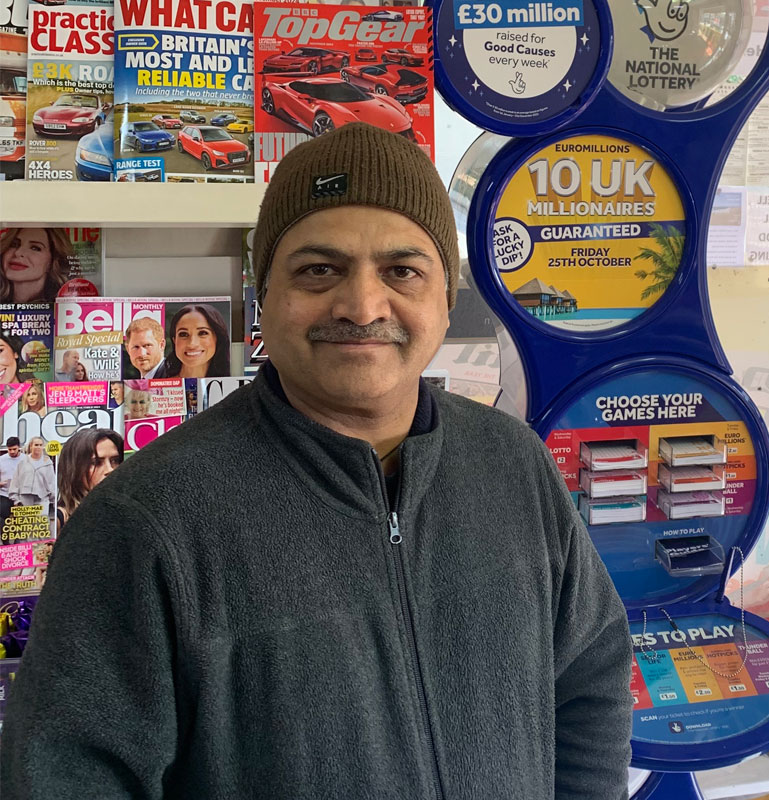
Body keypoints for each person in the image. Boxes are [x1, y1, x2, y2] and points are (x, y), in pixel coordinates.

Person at [1, 123, 633, 799]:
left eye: (402, 270)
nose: (362, 306)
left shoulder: (513, 463)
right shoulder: (144, 521)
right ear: (263, 296)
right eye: (318, 269)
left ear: (445, 297)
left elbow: (591, 681)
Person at [55, 429, 123, 529]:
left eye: (115, 461)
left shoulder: (125, 514)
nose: (110, 469)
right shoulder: (58, 520)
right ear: (74, 469)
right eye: (96, 462)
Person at [160, 304, 231, 378]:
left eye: (203, 333)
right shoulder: (156, 386)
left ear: (217, 338)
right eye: (183, 334)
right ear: (174, 340)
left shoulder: (231, 385)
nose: (192, 344)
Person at [0, 228, 69, 303]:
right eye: (14, 244)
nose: (18, 252)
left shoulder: (61, 306)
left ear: (52, 262)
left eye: (35, 248)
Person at [9, 436, 54, 517]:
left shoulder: (47, 463)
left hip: (42, 498)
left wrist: (54, 501)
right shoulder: (23, 462)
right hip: (25, 499)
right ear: (31, 446)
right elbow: (16, 482)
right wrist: (16, 500)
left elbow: (51, 482)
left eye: (40, 445)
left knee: (41, 525)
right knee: (25, 526)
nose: (38, 447)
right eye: (36, 445)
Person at [0, 436, 25, 522]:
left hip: (22, 494)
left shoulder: (26, 459)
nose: (12, 452)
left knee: (23, 517)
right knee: (2, 512)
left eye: (14, 449)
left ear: (19, 447)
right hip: (4, 493)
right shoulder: (1, 460)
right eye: (9, 449)